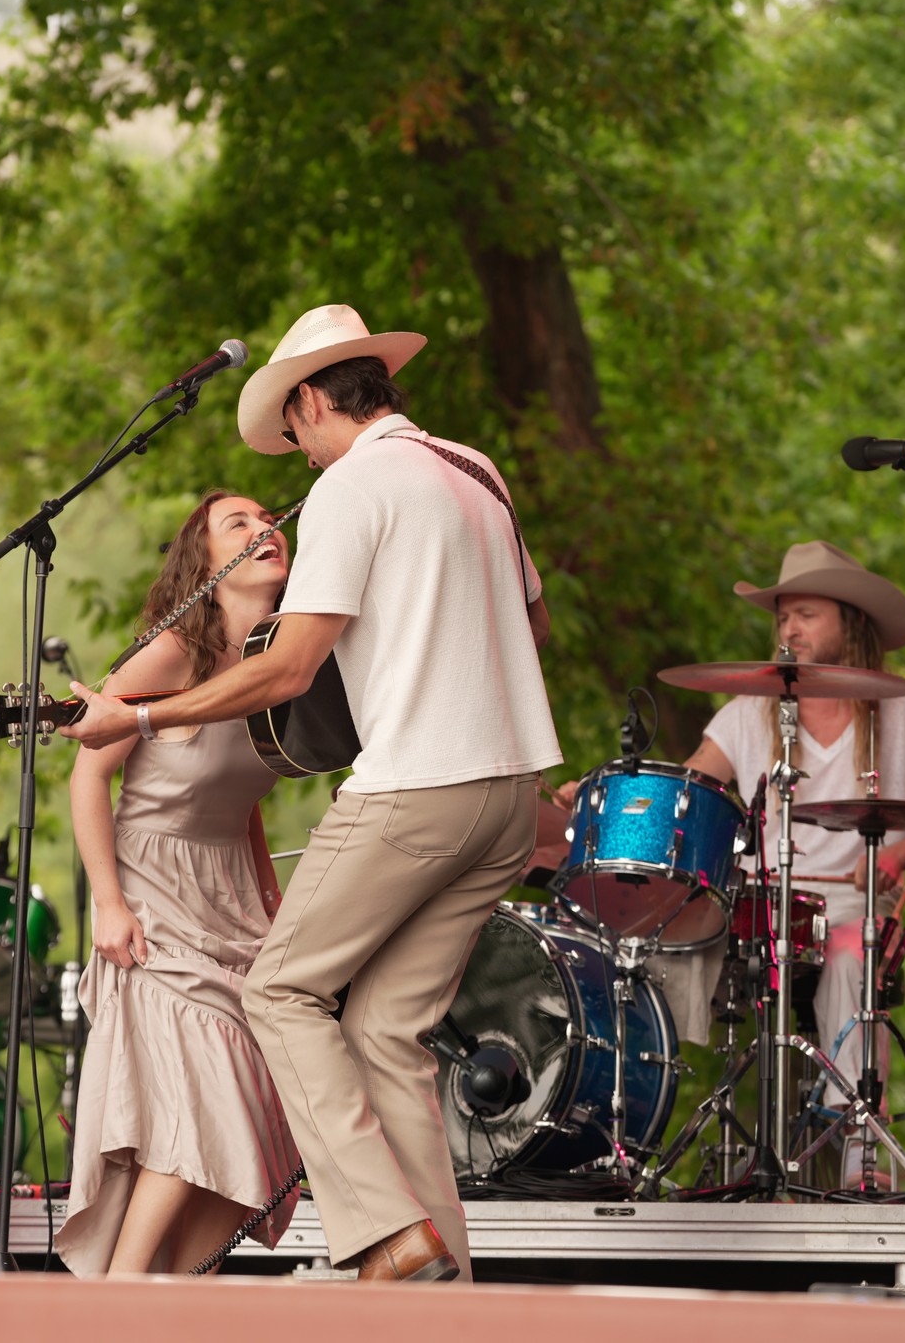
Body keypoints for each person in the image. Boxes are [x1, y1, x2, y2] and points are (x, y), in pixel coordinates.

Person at [63, 304, 559, 1283]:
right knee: (382, 1033)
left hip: (417, 789)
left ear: (310, 402)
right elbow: (531, 628)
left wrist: (142, 718)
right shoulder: (475, 472)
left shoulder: (347, 487)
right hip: (508, 799)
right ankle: (439, 1291)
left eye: (292, 433)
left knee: (278, 992)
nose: (297, 454)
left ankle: (382, 1232)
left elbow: (288, 671)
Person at [57, 490, 300, 1277]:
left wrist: (272, 909)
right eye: (240, 523)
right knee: (203, 1100)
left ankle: (182, 1293)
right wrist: (108, 902)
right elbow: (88, 774)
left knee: (258, 1117)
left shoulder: (281, 662)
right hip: (152, 887)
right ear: (205, 561)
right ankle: (122, 1294)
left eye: (269, 519)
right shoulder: (169, 654)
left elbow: (243, 805)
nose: (266, 529)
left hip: (228, 892)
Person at [683, 540, 905, 1183]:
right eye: (783, 615)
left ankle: (860, 1147)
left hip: (853, 902)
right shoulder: (747, 711)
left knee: (849, 953)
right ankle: (625, 1128)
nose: (789, 628)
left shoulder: (904, 707)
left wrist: (902, 851)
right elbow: (687, 795)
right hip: (760, 901)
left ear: (850, 621)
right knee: (652, 941)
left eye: (807, 614)